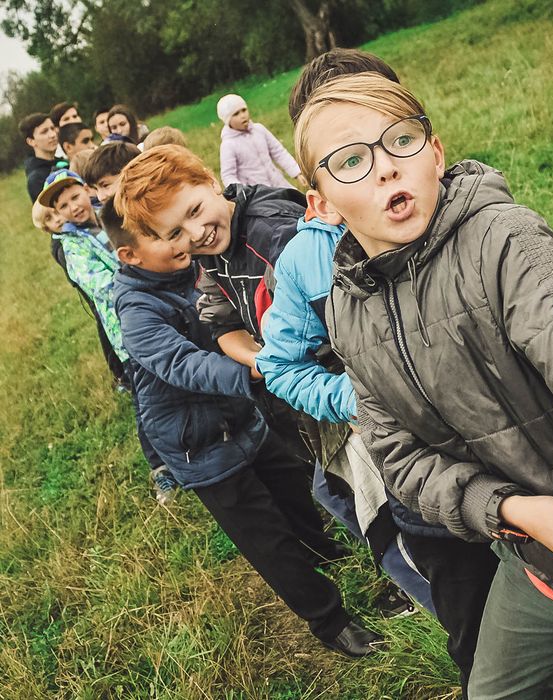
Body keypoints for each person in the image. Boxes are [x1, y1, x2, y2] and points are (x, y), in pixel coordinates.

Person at [296, 72, 553, 699]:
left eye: (400, 141)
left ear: (434, 154)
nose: (384, 170)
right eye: (350, 161)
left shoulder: (503, 244)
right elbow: (400, 460)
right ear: (319, 203)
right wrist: (510, 510)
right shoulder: (348, 311)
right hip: (528, 566)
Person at [109, 155, 382, 657]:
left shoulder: (225, 246)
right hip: (201, 447)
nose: (187, 237)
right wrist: (264, 370)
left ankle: (326, 553)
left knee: (300, 492)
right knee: (266, 537)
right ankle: (330, 621)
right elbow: (184, 364)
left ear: (211, 185)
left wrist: (265, 366)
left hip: (244, 419)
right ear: (133, 254)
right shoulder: (135, 309)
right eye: (171, 233)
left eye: (190, 215)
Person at [258, 48, 438, 617]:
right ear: (318, 180)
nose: (380, 161)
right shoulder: (309, 260)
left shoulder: (471, 220)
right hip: (400, 457)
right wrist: (359, 399)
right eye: (346, 150)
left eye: (392, 130)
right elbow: (280, 364)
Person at [38, 169, 178, 506]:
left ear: (87, 192)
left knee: (176, 376)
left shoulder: (113, 219)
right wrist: (144, 274)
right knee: (147, 400)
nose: (73, 207)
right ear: (57, 214)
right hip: (128, 332)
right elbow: (101, 286)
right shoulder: (72, 247)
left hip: (161, 311)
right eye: (63, 205)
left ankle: (193, 441)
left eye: (74, 196)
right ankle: (160, 468)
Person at [217, 93, 307, 190]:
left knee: (298, 202)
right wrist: (243, 191)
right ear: (227, 120)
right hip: (259, 194)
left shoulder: (259, 130)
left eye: (244, 110)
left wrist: (296, 172)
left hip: (278, 183)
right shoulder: (229, 145)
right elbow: (228, 175)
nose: (242, 115)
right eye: (236, 114)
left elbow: (278, 152)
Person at [18, 113, 64, 202]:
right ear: (31, 141)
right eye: (44, 132)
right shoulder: (36, 179)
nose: (52, 134)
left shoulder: (64, 162)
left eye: (52, 128)